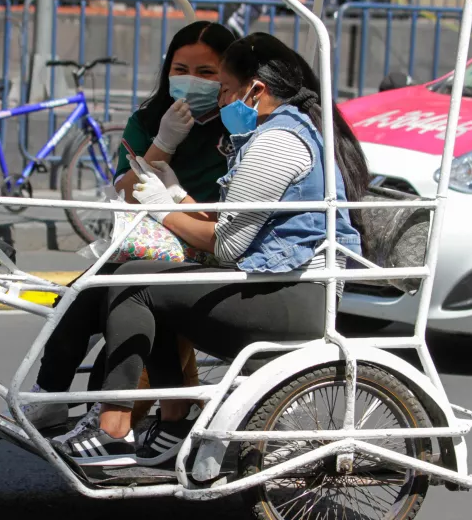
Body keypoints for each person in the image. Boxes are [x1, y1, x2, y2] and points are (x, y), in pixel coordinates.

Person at [53, 32, 370, 466]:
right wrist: (177, 195)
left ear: (254, 90)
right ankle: (171, 421)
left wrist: (162, 209)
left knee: (133, 284)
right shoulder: (276, 131)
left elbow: (227, 245)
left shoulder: (276, 142)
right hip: (279, 283)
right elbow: (238, 219)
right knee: (146, 277)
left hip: (294, 296)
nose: (219, 101)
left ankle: (114, 426)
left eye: (222, 88)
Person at [21, 21, 237, 436]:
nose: (192, 81)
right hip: (145, 238)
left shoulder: (236, 127)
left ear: (227, 77)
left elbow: (227, 221)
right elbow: (128, 190)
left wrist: (173, 197)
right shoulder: (150, 117)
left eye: (207, 73)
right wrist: (165, 141)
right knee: (77, 300)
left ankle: (108, 421)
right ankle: (50, 396)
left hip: (203, 242)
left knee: (124, 302)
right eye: (181, 69)